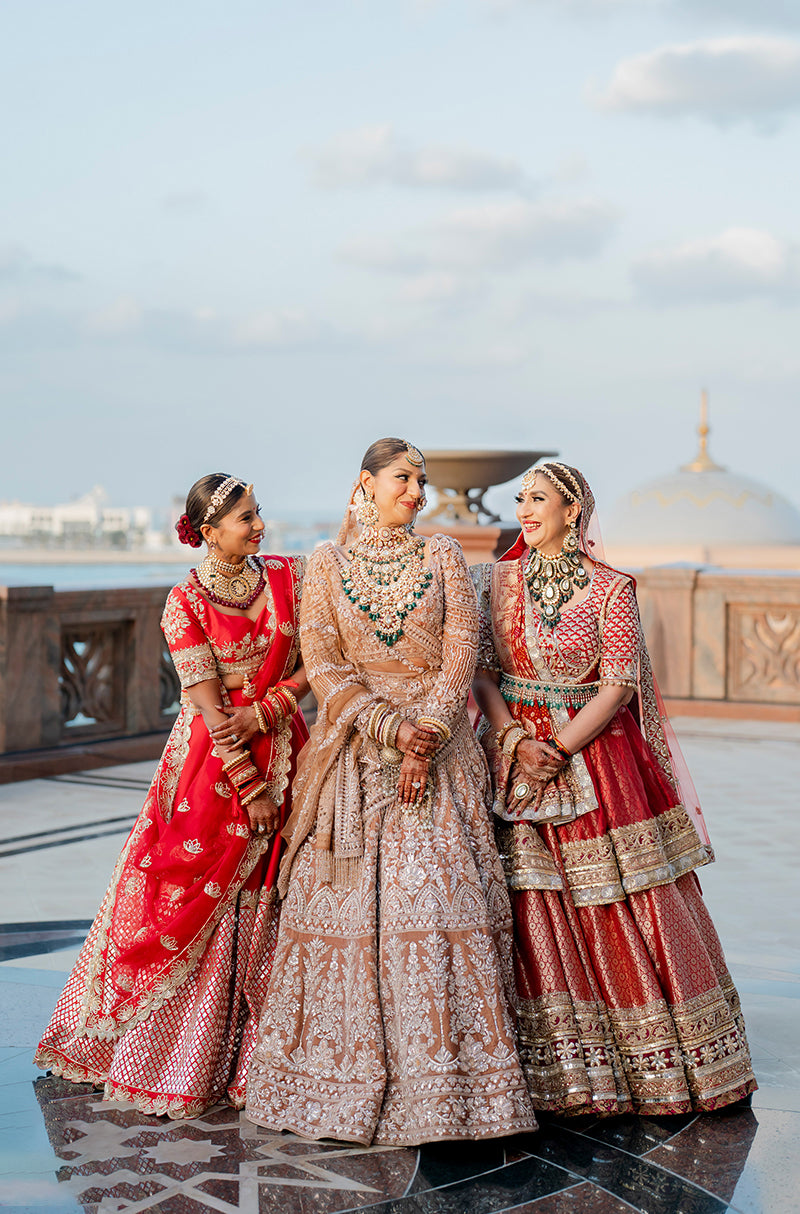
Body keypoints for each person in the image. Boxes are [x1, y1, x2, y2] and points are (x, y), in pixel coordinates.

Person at [244, 438, 537, 1146]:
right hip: (355, 753)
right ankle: (333, 1079)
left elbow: (462, 649)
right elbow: (322, 661)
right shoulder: (327, 562)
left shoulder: (440, 556)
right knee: (339, 911)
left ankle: (449, 1090)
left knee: (432, 905)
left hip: (437, 761)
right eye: (403, 479)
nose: (417, 492)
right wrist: (387, 729)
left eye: (423, 480)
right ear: (365, 484)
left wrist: (428, 732)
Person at [472, 461, 757, 1117]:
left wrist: (560, 748)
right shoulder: (495, 583)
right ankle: (544, 1070)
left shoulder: (610, 590)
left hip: (595, 762)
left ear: (573, 511)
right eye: (520, 498)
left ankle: (646, 1064)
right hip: (513, 758)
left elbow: (620, 684)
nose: (524, 509)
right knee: (527, 905)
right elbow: (484, 674)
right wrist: (518, 742)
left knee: (618, 902)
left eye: (538, 499)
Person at [34, 474, 309, 1118]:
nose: (259, 525)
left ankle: (259, 1058)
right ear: (208, 532)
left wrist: (275, 701)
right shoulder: (184, 600)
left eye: (259, 513)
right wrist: (250, 788)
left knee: (275, 891)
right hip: (213, 768)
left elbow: (314, 662)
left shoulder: (287, 580)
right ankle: (177, 1059)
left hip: (289, 749)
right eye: (245, 518)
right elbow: (208, 704)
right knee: (189, 896)